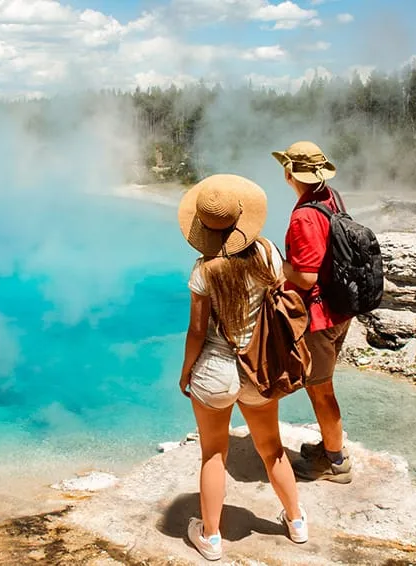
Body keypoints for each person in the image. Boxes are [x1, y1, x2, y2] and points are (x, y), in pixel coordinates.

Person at [176, 173, 308, 561]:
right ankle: (296, 521)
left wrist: (186, 372)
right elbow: (279, 296)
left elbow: (197, 332)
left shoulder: (204, 270)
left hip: (215, 372)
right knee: (272, 449)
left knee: (213, 454)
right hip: (259, 368)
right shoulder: (266, 253)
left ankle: (211, 538)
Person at [272, 141, 355, 484]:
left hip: (319, 317)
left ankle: (335, 462)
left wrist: (280, 267)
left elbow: (305, 277)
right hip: (341, 306)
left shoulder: (305, 215)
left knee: (320, 389)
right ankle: (329, 445)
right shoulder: (330, 197)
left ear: (289, 173)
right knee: (321, 385)